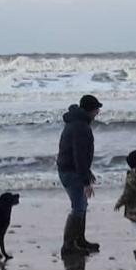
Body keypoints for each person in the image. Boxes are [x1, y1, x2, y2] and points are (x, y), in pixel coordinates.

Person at [57, 95, 102, 256]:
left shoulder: (76, 123)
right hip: (71, 172)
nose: (97, 112)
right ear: (90, 110)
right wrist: (85, 182)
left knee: (82, 206)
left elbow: (78, 155)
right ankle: (69, 246)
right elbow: (79, 156)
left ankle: (79, 241)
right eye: (96, 109)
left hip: (69, 169)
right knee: (78, 207)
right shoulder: (80, 127)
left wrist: (87, 173)